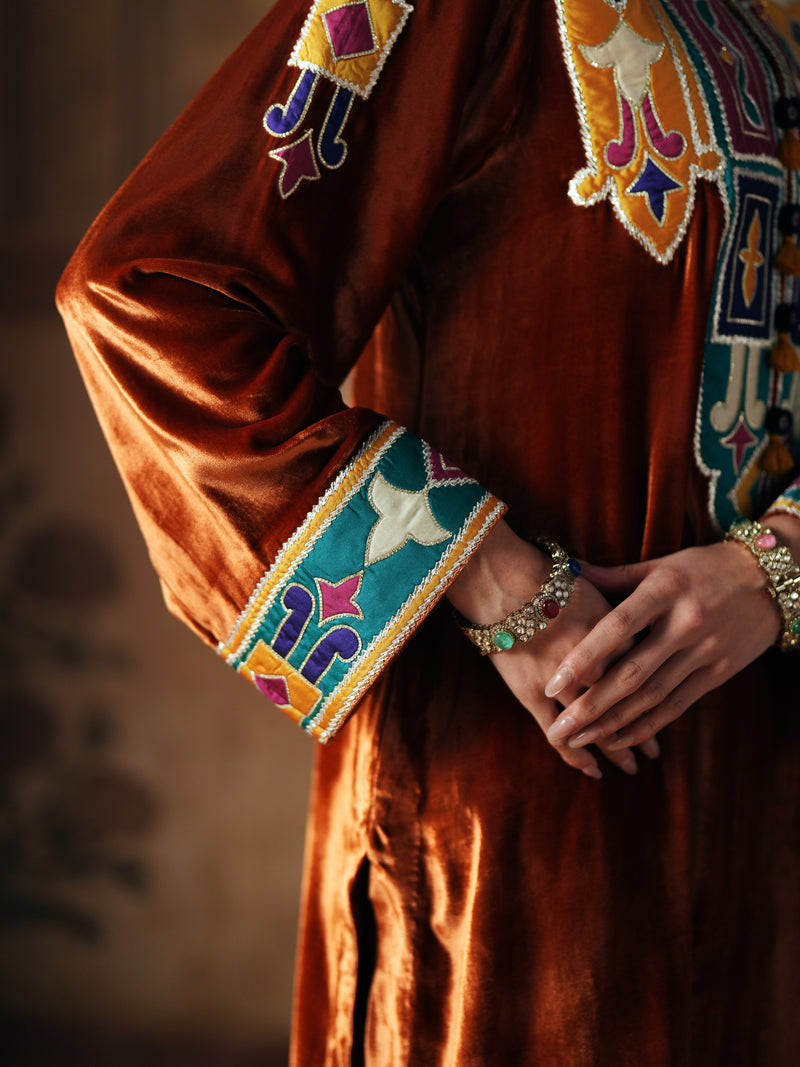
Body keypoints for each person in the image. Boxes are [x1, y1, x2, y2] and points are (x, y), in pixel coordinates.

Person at [58, 0, 800, 1063]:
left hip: (756, 779)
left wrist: (770, 569)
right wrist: (489, 572)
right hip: (517, 796)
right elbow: (149, 293)